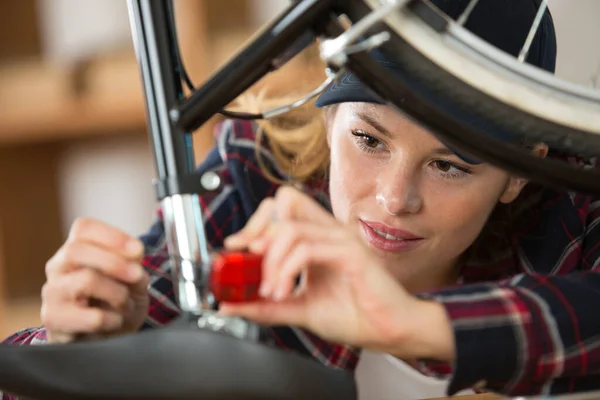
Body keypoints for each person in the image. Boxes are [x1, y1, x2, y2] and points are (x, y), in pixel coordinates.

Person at [4, 0, 600, 399]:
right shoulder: (259, 175)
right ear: (331, 115)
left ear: (521, 173)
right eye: (369, 139)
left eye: (449, 165)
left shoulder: (572, 212)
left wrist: (411, 325)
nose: (394, 199)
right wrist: (76, 344)